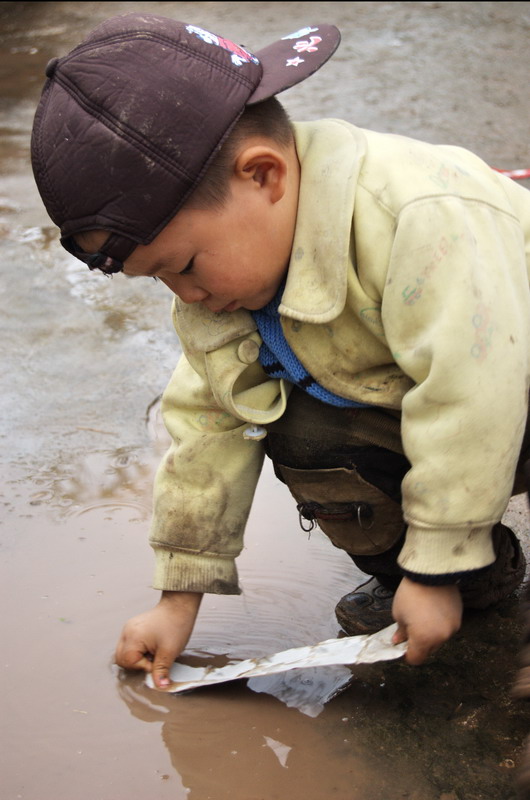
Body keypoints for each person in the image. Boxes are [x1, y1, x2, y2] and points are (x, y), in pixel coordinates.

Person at [31, 13, 530, 690]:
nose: (187, 294)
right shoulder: (226, 295)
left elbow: (474, 392)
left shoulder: (418, 217)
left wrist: (435, 562)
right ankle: (472, 584)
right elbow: (206, 429)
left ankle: (448, 567)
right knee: (303, 432)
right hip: (443, 400)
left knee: (467, 420)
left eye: (184, 265)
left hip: (509, 377)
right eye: (159, 279)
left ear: (264, 176)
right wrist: (177, 602)